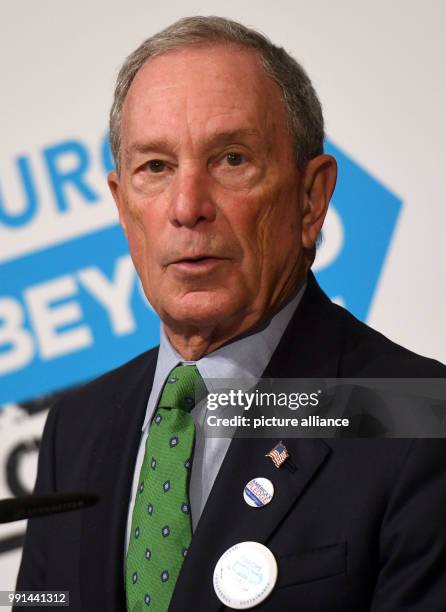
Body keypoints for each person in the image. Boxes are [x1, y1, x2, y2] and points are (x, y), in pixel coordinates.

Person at [16, 16, 446, 612]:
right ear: (122, 206)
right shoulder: (77, 428)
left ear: (311, 198)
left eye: (232, 159)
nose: (188, 207)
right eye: (156, 168)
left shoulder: (420, 418)